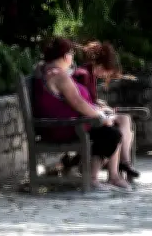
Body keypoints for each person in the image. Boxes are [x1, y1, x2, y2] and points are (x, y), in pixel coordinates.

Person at [33, 37, 131, 191]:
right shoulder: (59, 75)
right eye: (71, 53)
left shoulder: (46, 69)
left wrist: (98, 113)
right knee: (111, 134)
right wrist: (100, 117)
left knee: (109, 130)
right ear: (66, 56)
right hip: (63, 129)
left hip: (57, 126)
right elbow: (77, 102)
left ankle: (98, 177)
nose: (72, 57)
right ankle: (92, 178)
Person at [67, 41, 140, 180]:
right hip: (83, 121)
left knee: (125, 119)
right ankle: (121, 166)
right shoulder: (83, 75)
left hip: (91, 115)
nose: (107, 75)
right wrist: (101, 110)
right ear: (101, 65)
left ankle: (124, 163)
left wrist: (101, 106)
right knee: (118, 127)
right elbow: (81, 102)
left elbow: (89, 99)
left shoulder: (90, 74)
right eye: (108, 71)